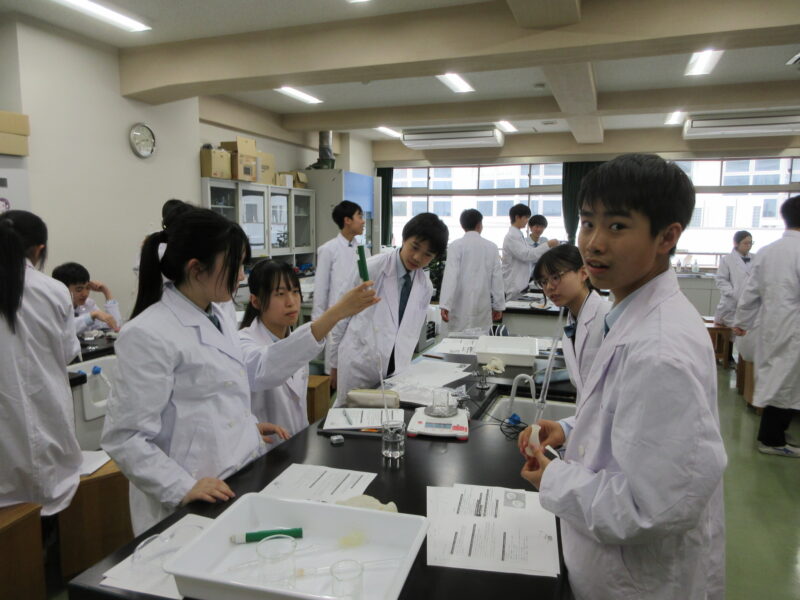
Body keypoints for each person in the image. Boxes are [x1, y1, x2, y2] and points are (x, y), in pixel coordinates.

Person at [517, 154, 727, 600]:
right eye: (587, 223)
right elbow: (629, 418)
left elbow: (649, 508)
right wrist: (570, 428)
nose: (593, 244)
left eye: (616, 226)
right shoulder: (630, 313)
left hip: (636, 582)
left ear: (667, 236)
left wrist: (552, 478)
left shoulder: (660, 349)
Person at [102, 208, 292, 535]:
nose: (242, 276)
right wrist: (180, 486)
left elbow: (212, 394)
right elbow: (125, 437)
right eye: (235, 265)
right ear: (196, 269)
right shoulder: (148, 333)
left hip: (234, 473)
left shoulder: (217, 314)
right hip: (189, 495)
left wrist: (245, 428)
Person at [239, 260, 378, 443]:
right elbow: (267, 366)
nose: (291, 302)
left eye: (295, 292)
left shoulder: (293, 341)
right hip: (266, 450)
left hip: (298, 444)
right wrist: (337, 312)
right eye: (280, 294)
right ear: (256, 301)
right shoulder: (243, 344)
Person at [0, 210, 83, 515]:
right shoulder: (53, 290)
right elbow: (68, 351)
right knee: (49, 496)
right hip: (47, 416)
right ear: (39, 250)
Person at [330, 212, 448, 405]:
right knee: (349, 416)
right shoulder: (371, 269)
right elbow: (340, 316)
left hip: (397, 369)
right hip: (359, 364)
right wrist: (334, 364)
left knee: (388, 419)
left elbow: (410, 331)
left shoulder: (425, 286)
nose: (417, 257)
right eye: (414, 247)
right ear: (404, 239)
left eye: (427, 255)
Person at [733, 195, 800, 457]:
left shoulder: (767, 251)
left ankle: (774, 435)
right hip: (793, 327)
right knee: (786, 382)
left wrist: (742, 322)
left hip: (771, 325)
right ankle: (772, 440)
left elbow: (751, 292)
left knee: (778, 379)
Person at [532, 244, 610, 394]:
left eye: (556, 277)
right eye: (543, 281)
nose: (549, 287)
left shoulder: (608, 318)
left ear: (583, 273)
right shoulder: (571, 325)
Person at [312, 200, 368, 373]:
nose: (363, 221)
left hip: (359, 318)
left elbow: (366, 282)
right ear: (347, 220)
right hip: (336, 318)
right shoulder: (328, 250)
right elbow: (321, 290)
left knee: (355, 367)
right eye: (360, 216)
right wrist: (318, 324)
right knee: (335, 370)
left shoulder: (363, 250)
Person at [438, 209, 504, 333]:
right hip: (482, 304)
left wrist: (445, 305)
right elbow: (497, 279)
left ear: (462, 225)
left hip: (459, 304)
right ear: (479, 225)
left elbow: (450, 276)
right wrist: (498, 306)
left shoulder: (455, 246)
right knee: (481, 338)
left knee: (456, 339)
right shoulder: (492, 247)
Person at [501, 204, 558, 299]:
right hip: (513, 285)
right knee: (513, 306)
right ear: (517, 217)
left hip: (521, 283)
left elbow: (530, 253)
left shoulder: (518, 235)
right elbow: (528, 255)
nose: (527, 220)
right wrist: (548, 245)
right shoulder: (512, 236)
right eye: (526, 217)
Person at [52, 262, 122, 334]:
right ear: (62, 288)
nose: (85, 294)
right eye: (79, 289)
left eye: (88, 288)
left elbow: (115, 326)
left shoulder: (88, 304)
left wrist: (106, 292)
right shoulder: (53, 306)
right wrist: (91, 316)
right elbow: (64, 329)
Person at [714, 230, 754, 326]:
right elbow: (721, 280)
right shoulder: (727, 260)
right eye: (745, 243)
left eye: (751, 243)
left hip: (750, 302)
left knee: (747, 328)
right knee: (730, 329)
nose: (749, 246)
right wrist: (733, 293)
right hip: (731, 303)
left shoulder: (756, 258)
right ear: (736, 243)